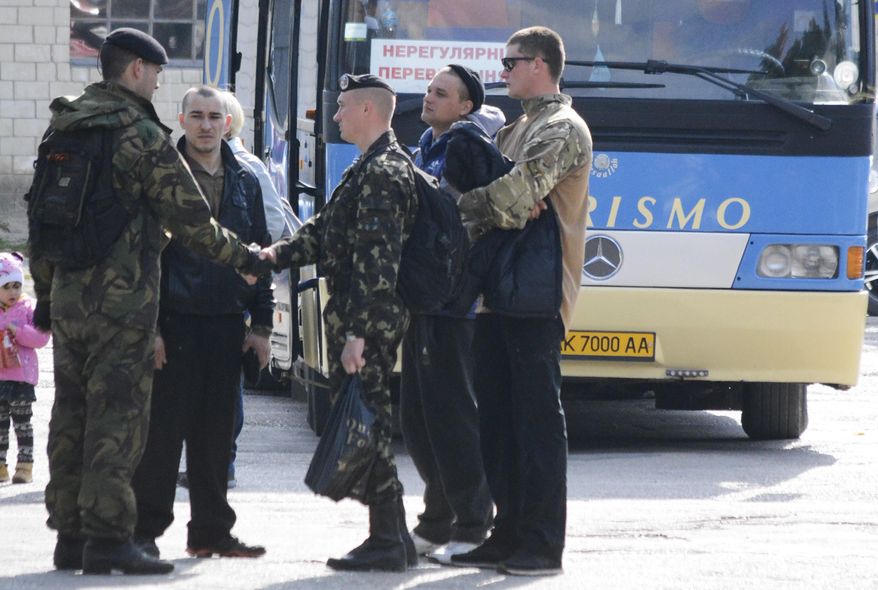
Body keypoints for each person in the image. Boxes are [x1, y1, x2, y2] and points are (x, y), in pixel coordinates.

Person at [31, 29, 267, 575]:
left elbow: (43, 217)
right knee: (119, 419)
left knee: (71, 414)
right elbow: (192, 222)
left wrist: (46, 294)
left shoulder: (64, 125)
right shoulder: (139, 134)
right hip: (123, 305)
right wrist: (248, 259)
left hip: (69, 301)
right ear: (137, 69)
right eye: (157, 73)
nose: (158, 83)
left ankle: (71, 537)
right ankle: (110, 540)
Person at [257, 73, 419, 572]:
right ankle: (391, 537)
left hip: (367, 320)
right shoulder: (366, 167)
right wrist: (267, 257)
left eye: (342, 107)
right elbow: (325, 234)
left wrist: (359, 336)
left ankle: (389, 540)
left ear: (369, 110)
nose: (335, 116)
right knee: (364, 422)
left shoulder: (384, 171)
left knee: (366, 424)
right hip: (358, 317)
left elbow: (377, 260)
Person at [450, 27, 593, 576]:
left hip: (538, 295)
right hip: (499, 294)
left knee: (535, 425)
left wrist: (481, 204)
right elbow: (501, 199)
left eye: (510, 62)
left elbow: (516, 195)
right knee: (498, 423)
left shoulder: (561, 128)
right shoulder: (518, 128)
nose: (502, 72)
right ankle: (506, 532)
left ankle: (540, 543)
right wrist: (497, 202)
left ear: (539, 64)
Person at [130, 85, 272, 561]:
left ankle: (211, 532)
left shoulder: (246, 181)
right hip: (173, 324)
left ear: (227, 123)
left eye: (215, 116)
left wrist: (262, 328)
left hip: (226, 325)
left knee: (216, 438)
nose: (207, 125)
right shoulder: (161, 176)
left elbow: (260, 254)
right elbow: (143, 260)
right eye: (197, 115)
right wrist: (151, 330)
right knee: (162, 439)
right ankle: (144, 533)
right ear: (182, 120)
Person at [400, 64, 503, 565]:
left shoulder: (466, 144)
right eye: (428, 90)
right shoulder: (427, 143)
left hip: (454, 303)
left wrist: (472, 278)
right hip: (425, 297)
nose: (430, 97)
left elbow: (498, 212)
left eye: (442, 93)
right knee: (418, 419)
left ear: (466, 106)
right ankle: (437, 518)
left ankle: (473, 523)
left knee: (452, 419)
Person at [0, 252, 50, 485]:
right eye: (6, 287)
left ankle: (25, 465)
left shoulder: (28, 307)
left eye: (16, 286)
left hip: (21, 377)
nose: (12, 292)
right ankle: (1, 466)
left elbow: (41, 338)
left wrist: (17, 331)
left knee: (22, 422)